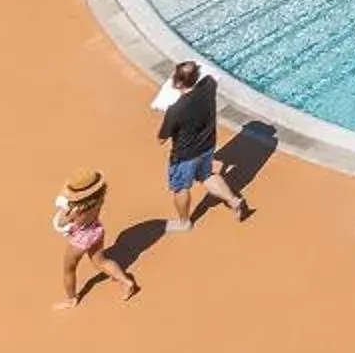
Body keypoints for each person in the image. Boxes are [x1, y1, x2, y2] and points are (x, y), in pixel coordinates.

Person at [155, 61, 251, 228]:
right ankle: (234, 201)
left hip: (184, 155)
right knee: (206, 175)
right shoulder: (209, 85)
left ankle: (184, 222)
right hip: (207, 145)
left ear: (178, 83)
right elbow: (209, 74)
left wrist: (163, 114)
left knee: (180, 188)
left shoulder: (175, 110)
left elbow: (161, 139)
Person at [51, 170, 138, 308]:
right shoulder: (99, 198)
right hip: (96, 231)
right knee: (101, 261)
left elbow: (61, 223)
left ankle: (71, 299)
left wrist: (64, 208)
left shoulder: (75, 211)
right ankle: (126, 282)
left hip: (80, 240)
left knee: (69, 269)